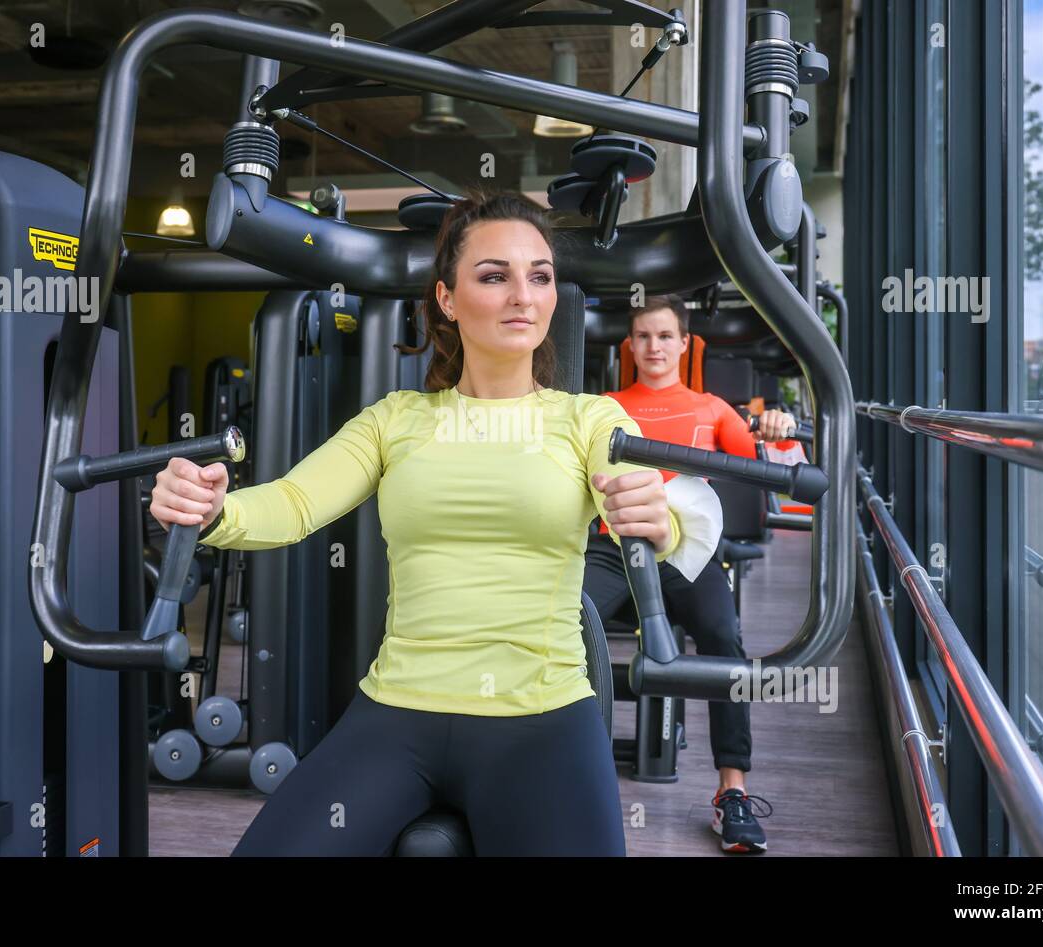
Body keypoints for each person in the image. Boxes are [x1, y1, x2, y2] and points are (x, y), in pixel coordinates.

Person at [148, 190, 712, 856]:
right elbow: (293, 503)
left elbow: (650, 505)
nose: (522, 296)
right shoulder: (397, 419)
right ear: (447, 298)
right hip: (397, 713)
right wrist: (210, 508)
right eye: (494, 275)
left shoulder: (588, 421)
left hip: (541, 719)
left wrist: (657, 518)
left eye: (539, 276)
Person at [582, 294, 795, 853]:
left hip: (688, 556)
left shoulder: (712, 409)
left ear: (683, 344)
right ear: (631, 346)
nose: (654, 346)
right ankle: (559, 769)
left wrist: (775, 427)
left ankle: (733, 794)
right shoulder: (604, 405)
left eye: (664, 336)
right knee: (559, 625)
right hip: (614, 548)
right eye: (643, 337)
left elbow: (767, 469)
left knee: (725, 639)